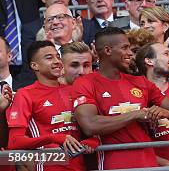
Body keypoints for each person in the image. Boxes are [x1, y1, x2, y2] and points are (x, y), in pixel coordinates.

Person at [72, 27, 169, 169]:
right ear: (108, 51)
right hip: (113, 163)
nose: (129, 54)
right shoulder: (85, 83)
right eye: (125, 48)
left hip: (148, 162)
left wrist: (166, 113)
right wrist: (135, 115)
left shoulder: (140, 82)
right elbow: (90, 125)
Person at [6, 41, 99, 171]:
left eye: (58, 56)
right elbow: (15, 142)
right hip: (47, 167)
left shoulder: (74, 91)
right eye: (49, 58)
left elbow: (88, 128)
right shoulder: (25, 94)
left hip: (79, 167)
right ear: (34, 66)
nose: (57, 61)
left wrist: (92, 140)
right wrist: (54, 138)